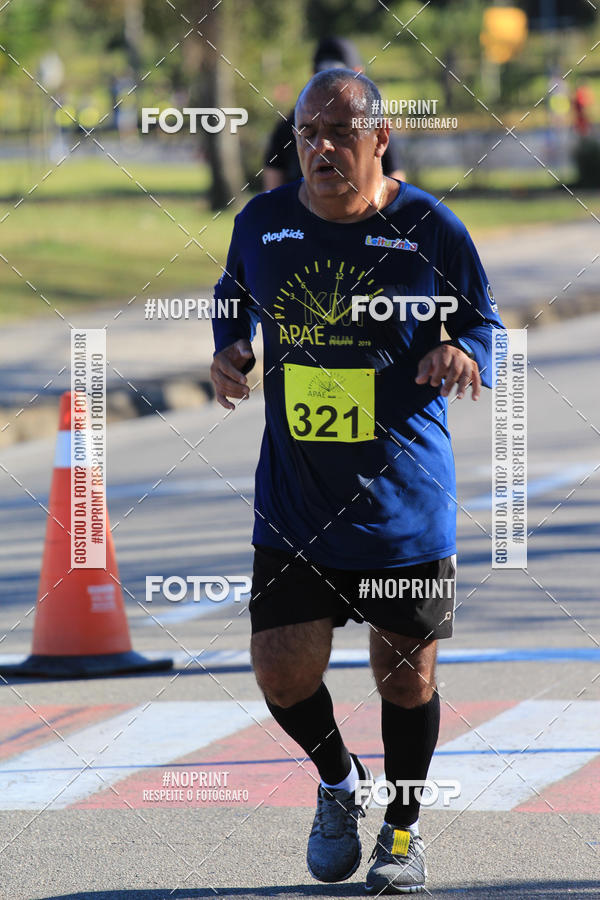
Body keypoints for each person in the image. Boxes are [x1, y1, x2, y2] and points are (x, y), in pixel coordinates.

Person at [211, 69, 504, 894]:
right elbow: (232, 296)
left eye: (340, 134)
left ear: (381, 139)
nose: (321, 149)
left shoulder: (428, 227)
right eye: (308, 133)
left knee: (405, 676)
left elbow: (485, 320)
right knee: (280, 671)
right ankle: (339, 784)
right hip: (296, 504)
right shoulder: (264, 223)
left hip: (400, 506)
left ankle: (403, 833)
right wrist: (229, 348)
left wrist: (464, 353)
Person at [264, 36, 405, 190]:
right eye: (309, 134)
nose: (322, 146)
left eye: (342, 131)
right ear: (312, 76)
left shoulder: (372, 125)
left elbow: (395, 186)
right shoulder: (288, 127)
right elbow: (273, 189)